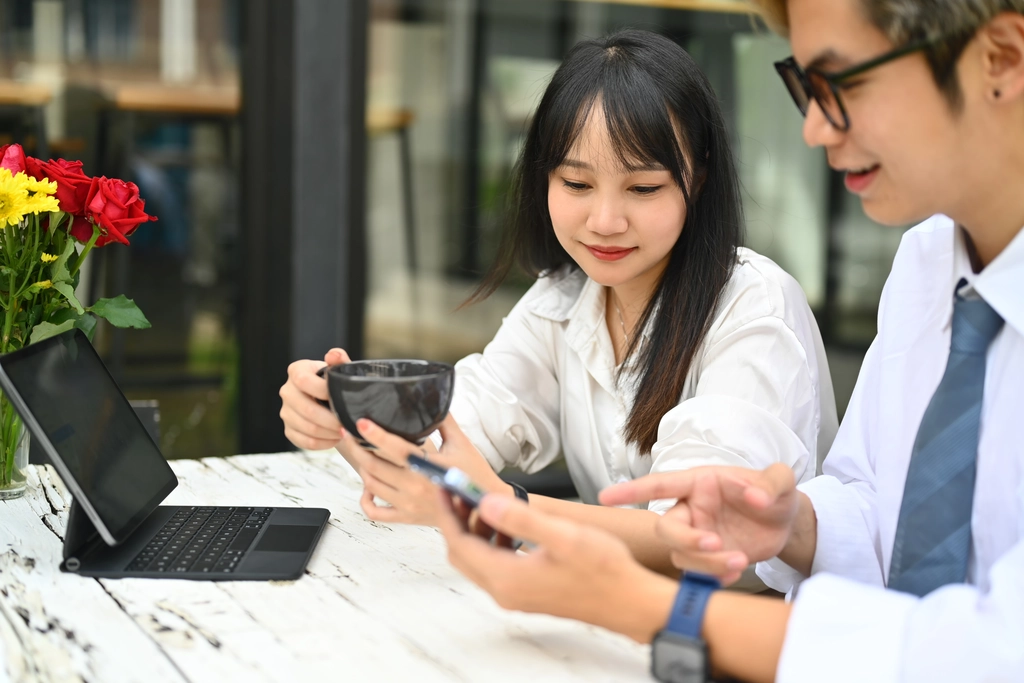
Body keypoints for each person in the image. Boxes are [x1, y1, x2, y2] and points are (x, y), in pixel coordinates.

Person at [408, 2, 1024, 682]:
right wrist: (794, 527)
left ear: (1001, 58)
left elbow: (996, 649)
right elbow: (880, 517)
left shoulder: (753, 302)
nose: (814, 127)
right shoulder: (928, 266)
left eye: (844, 83)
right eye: (807, 88)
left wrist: (623, 591)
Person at [279, 29, 837, 577]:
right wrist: (350, 417)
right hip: (615, 622)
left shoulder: (752, 310)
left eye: (643, 189)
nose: (605, 221)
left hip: (754, 646)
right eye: (576, 184)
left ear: (700, 177)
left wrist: (503, 506)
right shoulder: (565, 298)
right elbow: (448, 444)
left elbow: (703, 540)